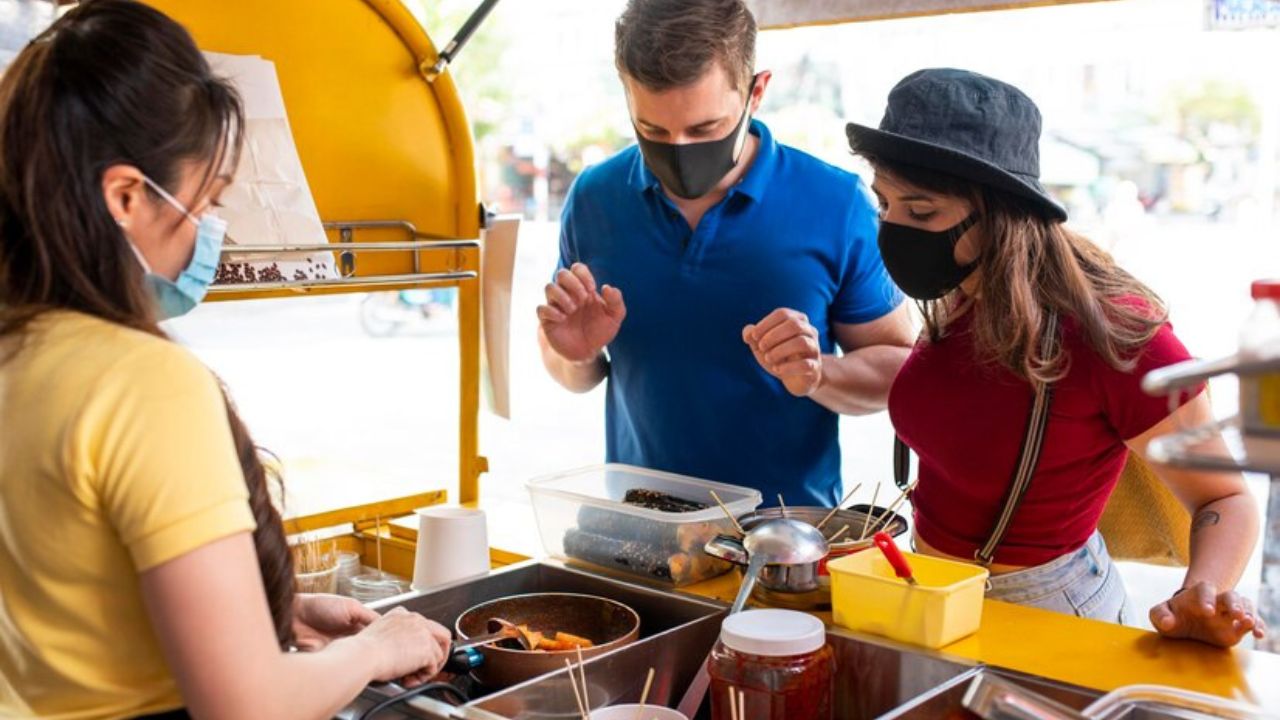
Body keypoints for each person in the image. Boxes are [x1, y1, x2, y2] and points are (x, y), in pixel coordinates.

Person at [0, 3, 451, 718]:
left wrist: (274, 611)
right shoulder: (141, 384)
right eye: (206, 197)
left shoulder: (17, 350)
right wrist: (372, 649)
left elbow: (73, 598)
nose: (212, 229)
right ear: (124, 195)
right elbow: (246, 706)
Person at [848, 68, 1264, 647]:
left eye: (920, 213)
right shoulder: (958, 294)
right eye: (884, 203)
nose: (892, 229)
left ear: (1000, 214)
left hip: (1047, 611)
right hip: (933, 590)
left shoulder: (1110, 331)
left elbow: (1225, 496)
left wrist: (1206, 592)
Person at [535, 0, 913, 506]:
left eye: (705, 129)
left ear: (756, 92)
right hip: (638, 525)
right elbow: (574, 373)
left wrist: (820, 373)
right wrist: (572, 354)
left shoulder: (836, 203)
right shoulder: (594, 198)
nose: (679, 149)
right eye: (652, 131)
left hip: (782, 541)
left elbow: (898, 367)